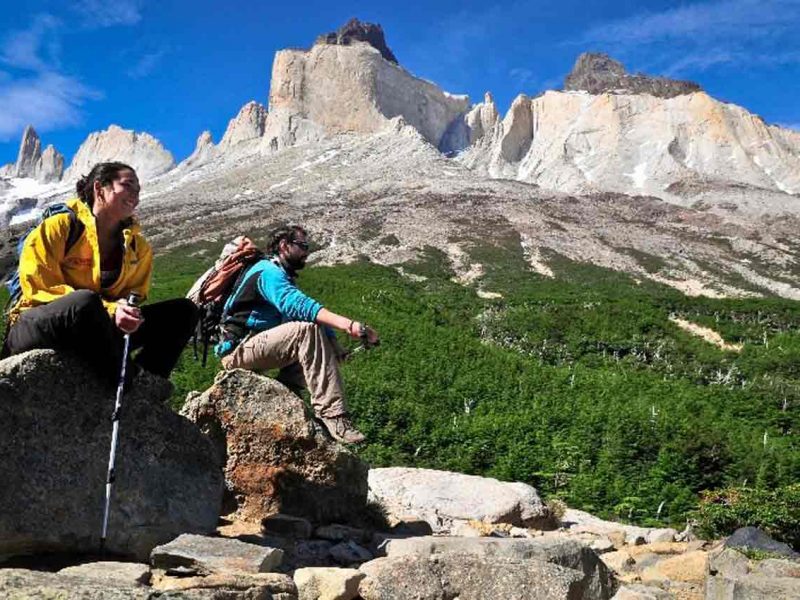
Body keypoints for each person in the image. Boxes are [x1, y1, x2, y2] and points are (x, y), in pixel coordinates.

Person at [3, 162, 197, 385]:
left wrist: (127, 313)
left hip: (97, 329)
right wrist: (112, 309)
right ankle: (123, 379)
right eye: (127, 185)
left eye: (138, 189)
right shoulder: (60, 226)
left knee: (183, 312)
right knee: (85, 301)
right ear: (99, 188)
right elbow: (41, 289)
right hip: (37, 324)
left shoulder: (138, 247)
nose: (135, 194)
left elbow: (134, 295)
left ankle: (148, 385)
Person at [217, 225, 379, 444]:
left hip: (254, 347)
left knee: (312, 329)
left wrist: (334, 346)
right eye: (302, 246)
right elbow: (297, 305)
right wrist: (349, 325)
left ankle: (289, 393)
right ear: (284, 245)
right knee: (305, 331)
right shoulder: (267, 271)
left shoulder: (279, 273)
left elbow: (307, 314)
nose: (306, 252)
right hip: (238, 351)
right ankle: (333, 415)